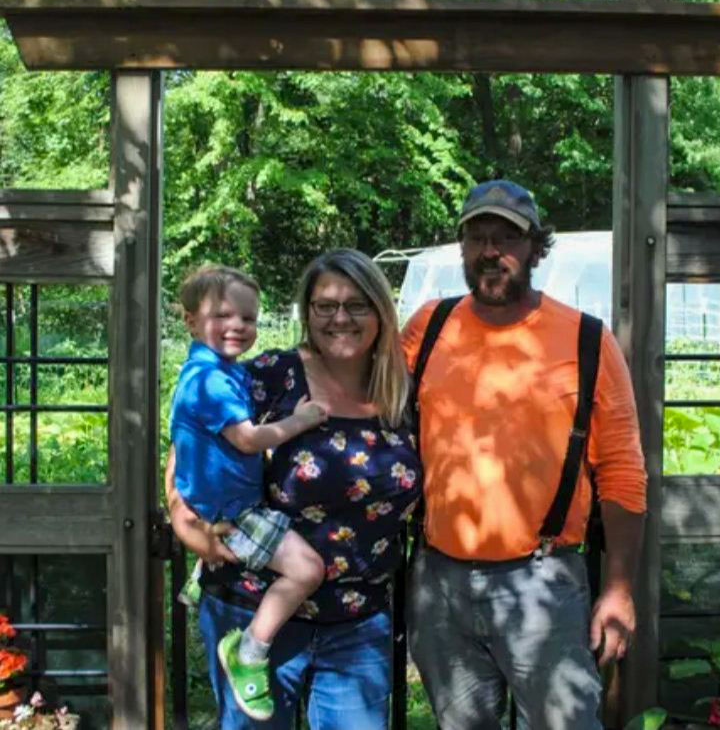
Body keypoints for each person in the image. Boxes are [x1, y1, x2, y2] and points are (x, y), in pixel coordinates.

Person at [403, 180, 647, 730]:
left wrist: (619, 589)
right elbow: (365, 411)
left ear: (536, 248)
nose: (491, 251)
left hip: (544, 583)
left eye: (507, 239)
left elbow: (623, 471)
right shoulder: (427, 328)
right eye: (477, 238)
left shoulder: (587, 339)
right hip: (439, 580)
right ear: (462, 249)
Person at [166, 249, 422, 730]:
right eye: (325, 305)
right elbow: (188, 444)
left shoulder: (402, 391)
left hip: (359, 620)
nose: (340, 318)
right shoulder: (270, 374)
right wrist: (187, 525)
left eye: (356, 305)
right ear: (307, 312)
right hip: (254, 611)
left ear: (380, 313)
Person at [170, 264, 327, 721]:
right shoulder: (210, 381)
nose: (238, 326)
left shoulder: (221, 370)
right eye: (223, 315)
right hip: (232, 511)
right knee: (306, 569)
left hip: (229, 504)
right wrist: (302, 420)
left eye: (249, 318)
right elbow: (245, 439)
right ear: (190, 320)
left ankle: (201, 579)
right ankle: (250, 651)